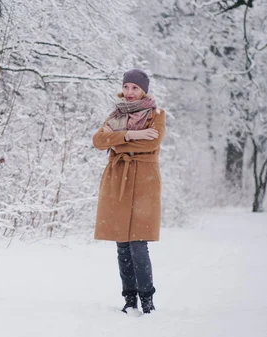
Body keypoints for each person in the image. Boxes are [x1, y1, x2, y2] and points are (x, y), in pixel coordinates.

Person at [91, 69, 166, 314]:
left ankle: (147, 300)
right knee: (122, 243)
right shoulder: (115, 114)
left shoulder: (156, 114)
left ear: (144, 90)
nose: (130, 92)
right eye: (127, 87)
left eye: (135, 88)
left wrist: (117, 139)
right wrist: (132, 134)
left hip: (144, 180)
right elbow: (98, 140)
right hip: (117, 178)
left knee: (138, 243)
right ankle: (129, 299)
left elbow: (152, 142)